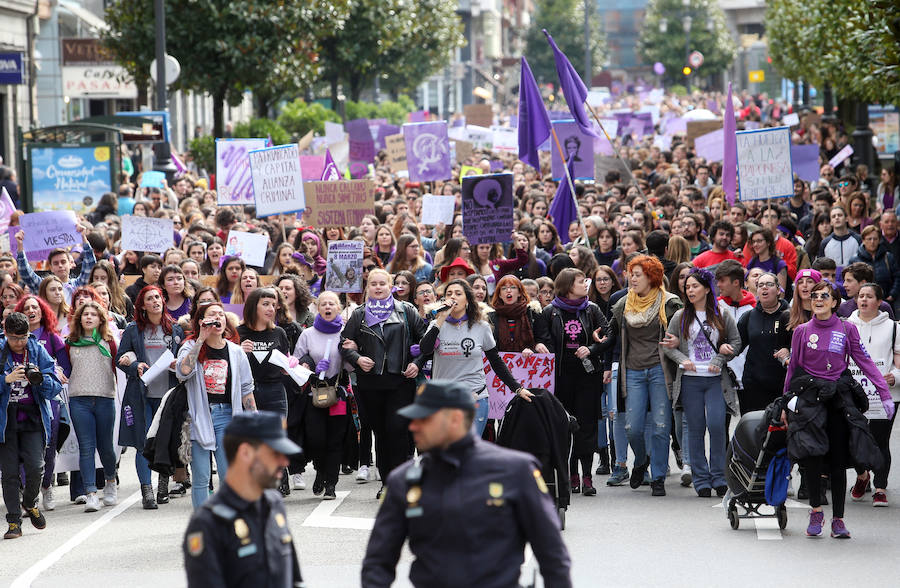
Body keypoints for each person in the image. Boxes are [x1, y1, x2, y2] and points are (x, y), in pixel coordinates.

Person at [361, 380, 571, 587]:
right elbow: (378, 563)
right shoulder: (404, 481)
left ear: (456, 419)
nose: (413, 425)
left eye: (425, 419)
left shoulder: (515, 471)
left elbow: (552, 555)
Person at [783, 280, 895, 538]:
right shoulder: (801, 330)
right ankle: (816, 511)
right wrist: (785, 403)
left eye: (825, 295)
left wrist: (884, 394)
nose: (818, 299)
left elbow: (864, 362)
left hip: (837, 399)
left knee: (836, 460)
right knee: (812, 458)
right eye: (814, 296)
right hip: (810, 400)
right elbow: (793, 369)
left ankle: (838, 520)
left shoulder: (847, 328)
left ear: (835, 302)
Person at [182, 411, 304, 587]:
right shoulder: (208, 524)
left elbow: (295, 580)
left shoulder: (274, 504)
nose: (284, 461)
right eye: (275, 453)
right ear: (245, 453)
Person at [340, 269, 425, 498]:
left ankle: (399, 482)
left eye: (382, 283)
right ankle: (387, 483)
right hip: (369, 384)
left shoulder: (407, 311)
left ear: (391, 286)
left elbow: (426, 341)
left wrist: (417, 361)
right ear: (368, 287)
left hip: (400, 381)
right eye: (373, 284)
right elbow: (344, 345)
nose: (378, 287)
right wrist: (358, 359)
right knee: (381, 433)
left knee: (397, 431)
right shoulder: (359, 314)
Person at [606, 255, 683, 496]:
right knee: (632, 428)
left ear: (652, 277)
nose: (632, 278)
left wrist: (679, 341)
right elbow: (609, 335)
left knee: (661, 426)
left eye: (638, 274)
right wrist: (598, 344)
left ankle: (658, 477)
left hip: (660, 371)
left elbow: (686, 334)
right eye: (631, 274)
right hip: (634, 372)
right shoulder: (622, 305)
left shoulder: (670, 304)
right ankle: (641, 460)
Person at [662, 268, 741, 497]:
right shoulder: (680, 316)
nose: (690, 290)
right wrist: (682, 360)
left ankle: (719, 476)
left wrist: (721, 356)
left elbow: (735, 342)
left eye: (695, 286)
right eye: (687, 287)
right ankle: (701, 479)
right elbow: (668, 347)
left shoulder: (722, 314)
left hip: (716, 380)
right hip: (690, 381)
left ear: (707, 289)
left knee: (717, 426)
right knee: (695, 429)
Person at [535, 268, 611, 495]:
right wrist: (541, 347)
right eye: (581, 281)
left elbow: (610, 334)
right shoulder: (549, 312)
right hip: (560, 379)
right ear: (568, 286)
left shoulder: (592, 309)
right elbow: (542, 339)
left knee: (587, 426)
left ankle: (587, 475)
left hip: (588, 377)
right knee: (564, 426)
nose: (586, 284)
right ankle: (570, 473)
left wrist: (593, 348)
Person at [419, 278, 526, 438]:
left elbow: (495, 361)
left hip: (475, 397)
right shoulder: (436, 324)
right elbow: (425, 349)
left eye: (458, 293)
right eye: (449, 294)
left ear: (467, 300)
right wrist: (440, 320)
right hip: (444, 399)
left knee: (467, 450)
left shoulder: (481, 327)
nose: (453, 297)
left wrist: (517, 388)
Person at [177, 301, 256, 508]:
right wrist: (201, 338)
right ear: (202, 321)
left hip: (227, 417)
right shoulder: (190, 346)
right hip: (198, 417)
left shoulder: (236, 352)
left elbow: (247, 388)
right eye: (212, 315)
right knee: (202, 476)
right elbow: (183, 372)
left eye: (221, 315)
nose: (218, 318)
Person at [116, 285, 185, 509]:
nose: (155, 301)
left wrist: (178, 365)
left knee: (165, 440)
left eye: (157, 297)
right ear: (142, 305)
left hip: (168, 394)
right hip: (141, 394)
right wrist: (135, 366)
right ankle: (147, 491)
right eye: (149, 298)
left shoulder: (175, 330)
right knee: (142, 442)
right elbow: (120, 359)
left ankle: (163, 486)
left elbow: (183, 360)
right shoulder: (133, 330)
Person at [0, 312, 62, 539]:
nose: (19, 343)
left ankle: (30, 502)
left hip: (32, 418)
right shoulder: (1, 350)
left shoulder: (36, 350)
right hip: (6, 420)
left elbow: (55, 385)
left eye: (23, 337)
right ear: (5, 333)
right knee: (9, 474)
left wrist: (38, 379)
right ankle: (14, 522)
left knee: (36, 466)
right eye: (14, 338)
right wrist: (5, 380)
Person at [847, 283, 899, 507]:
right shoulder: (847, 325)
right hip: (854, 394)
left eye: (869, 297)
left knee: (880, 441)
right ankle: (862, 476)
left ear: (879, 302)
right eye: (861, 296)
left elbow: (898, 363)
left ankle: (880, 487)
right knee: (854, 440)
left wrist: (895, 376)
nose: (864, 300)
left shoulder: (893, 328)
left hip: (885, 396)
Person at [293, 291, 349, 500]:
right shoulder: (307, 334)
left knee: (335, 440)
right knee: (316, 439)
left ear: (338, 308)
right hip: (314, 393)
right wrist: (312, 367)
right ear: (317, 308)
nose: (327, 307)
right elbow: (296, 364)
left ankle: (331, 484)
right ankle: (321, 471)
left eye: (331, 304)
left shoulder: (345, 332)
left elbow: (352, 367)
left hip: (338, 393)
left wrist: (347, 355)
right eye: (323, 304)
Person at [65, 300, 120, 513]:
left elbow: (118, 370)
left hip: (105, 398)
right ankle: (90, 493)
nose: (89, 317)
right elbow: (64, 368)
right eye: (85, 314)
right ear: (79, 319)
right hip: (79, 400)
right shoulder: (70, 342)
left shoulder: (109, 342)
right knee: (86, 447)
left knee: (106, 446)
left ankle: (110, 481)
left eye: (93, 314)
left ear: (101, 319)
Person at [737, 272, 789, 413]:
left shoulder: (790, 315)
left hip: (782, 385)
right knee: (753, 430)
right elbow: (736, 346)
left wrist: (788, 351)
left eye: (769, 284)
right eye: (760, 285)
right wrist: (723, 346)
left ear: (778, 290)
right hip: (753, 385)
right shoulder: (748, 317)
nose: (764, 288)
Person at [237, 289, 291, 416]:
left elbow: (285, 367)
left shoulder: (279, 332)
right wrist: (239, 351)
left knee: (276, 435)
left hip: (275, 392)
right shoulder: (238, 332)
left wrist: (291, 364)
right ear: (253, 306)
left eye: (273, 304)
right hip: (246, 390)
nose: (271, 309)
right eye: (266, 304)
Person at [15, 224, 97, 305]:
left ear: (70, 263)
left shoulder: (78, 285)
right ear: (51, 267)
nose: (60, 265)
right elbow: (25, 273)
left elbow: (90, 265)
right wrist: (20, 245)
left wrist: (83, 237)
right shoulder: (43, 286)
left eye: (63, 262)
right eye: (56, 263)